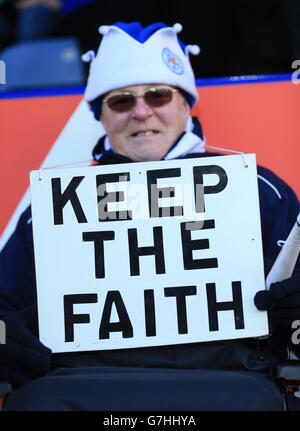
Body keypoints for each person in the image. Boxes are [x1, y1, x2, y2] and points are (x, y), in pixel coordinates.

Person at [0, 21, 300, 411]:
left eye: (157, 95)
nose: (141, 112)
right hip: (79, 392)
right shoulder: (49, 209)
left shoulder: (260, 189)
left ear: (185, 104)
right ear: (102, 116)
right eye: (122, 101)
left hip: (229, 387)